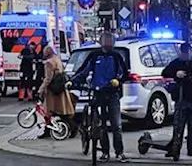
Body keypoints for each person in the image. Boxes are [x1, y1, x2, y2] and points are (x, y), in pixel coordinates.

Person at [71, 31, 129, 162]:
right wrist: (73, 81)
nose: (108, 44)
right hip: (98, 93)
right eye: (106, 41)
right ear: (101, 42)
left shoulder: (116, 57)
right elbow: (83, 71)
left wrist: (118, 81)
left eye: (110, 41)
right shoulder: (94, 56)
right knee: (101, 124)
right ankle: (105, 152)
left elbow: (124, 73)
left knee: (116, 125)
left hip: (112, 93)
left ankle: (119, 152)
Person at [160, 42, 192, 159]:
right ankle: (175, 148)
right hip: (182, 98)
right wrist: (176, 74)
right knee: (178, 125)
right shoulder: (177, 63)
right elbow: (165, 73)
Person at [36, 44, 75, 139]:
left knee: (48, 111)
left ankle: (48, 130)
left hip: (52, 92)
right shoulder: (57, 59)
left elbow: (48, 78)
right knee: (62, 111)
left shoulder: (49, 63)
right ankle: (72, 128)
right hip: (60, 89)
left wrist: (40, 90)